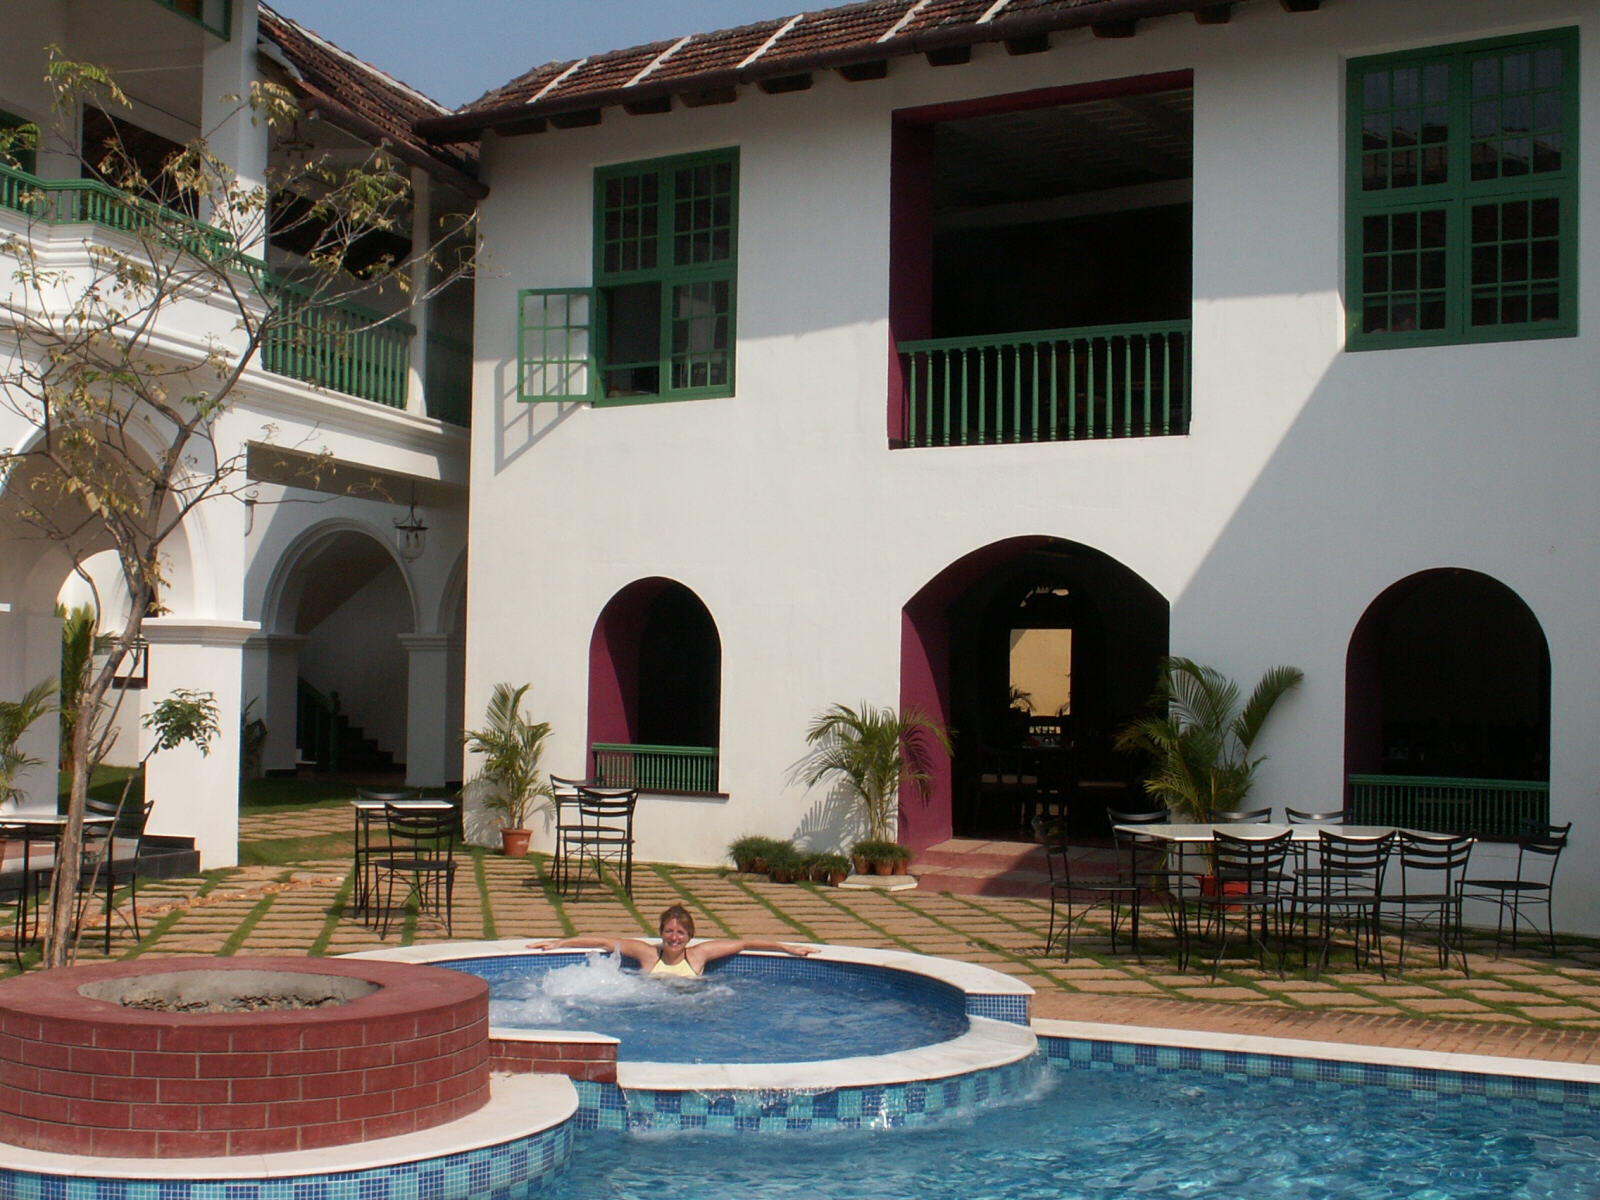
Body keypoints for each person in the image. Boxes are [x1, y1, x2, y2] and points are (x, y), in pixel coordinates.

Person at [527, 904, 817, 978]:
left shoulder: (699, 956)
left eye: (680, 933)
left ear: (689, 936)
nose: (674, 938)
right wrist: (560, 943)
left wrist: (786, 947)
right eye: (669, 931)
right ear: (661, 932)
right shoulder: (647, 955)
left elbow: (743, 943)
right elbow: (605, 942)